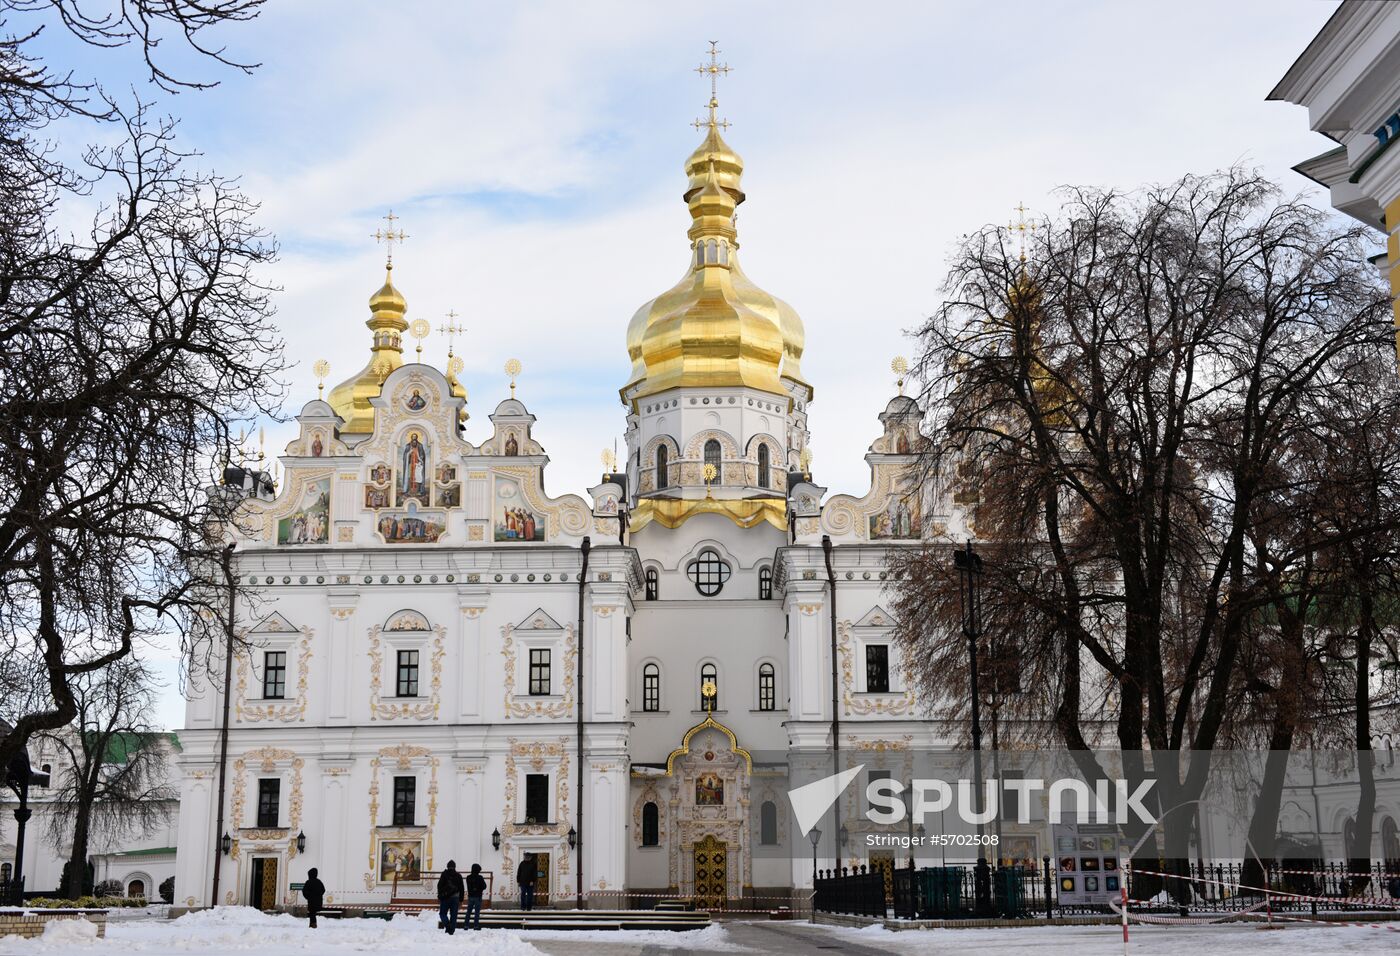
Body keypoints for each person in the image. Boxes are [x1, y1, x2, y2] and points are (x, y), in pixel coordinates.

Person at [437, 860, 465, 934]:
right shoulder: (458, 876)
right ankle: (451, 930)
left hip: (445, 898)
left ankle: (448, 926)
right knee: (453, 915)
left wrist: (440, 896)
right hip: (455, 898)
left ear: (447, 866)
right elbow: (462, 888)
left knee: (442, 914)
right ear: (455, 867)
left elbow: (439, 886)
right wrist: (461, 900)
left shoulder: (444, 874)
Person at [464, 863, 487, 930]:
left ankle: (466, 925)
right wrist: (479, 888)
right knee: (477, 912)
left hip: (470, 896)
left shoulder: (468, 877)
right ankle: (476, 926)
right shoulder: (480, 877)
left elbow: (469, 886)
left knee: (468, 912)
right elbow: (484, 886)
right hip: (478, 896)